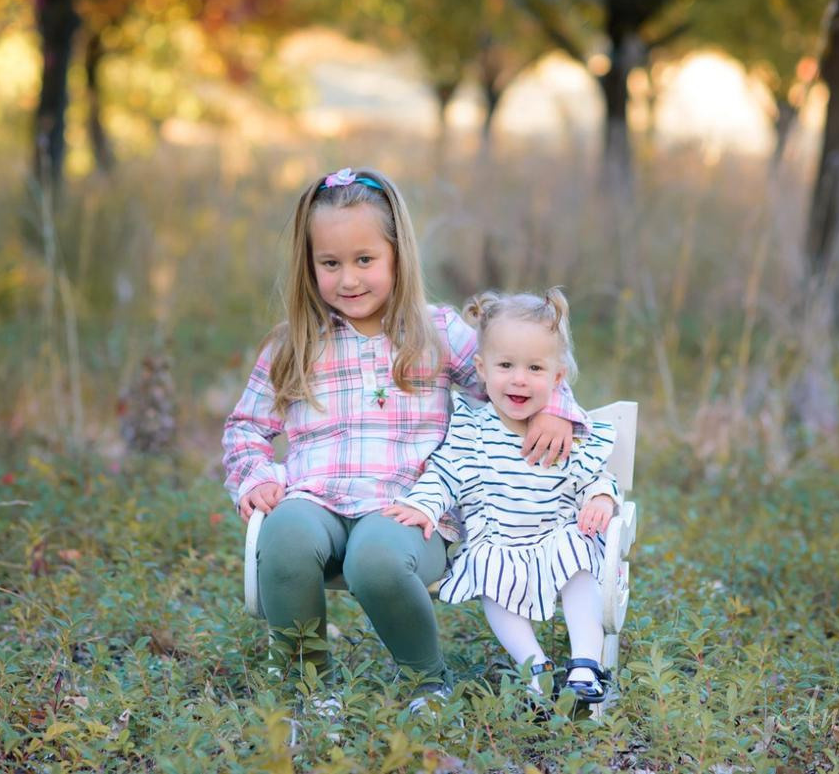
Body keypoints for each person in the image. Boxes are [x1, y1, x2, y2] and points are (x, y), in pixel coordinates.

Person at [222, 167, 589, 708]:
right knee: (286, 534)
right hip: (313, 498)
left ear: (398, 255)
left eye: (364, 260)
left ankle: (428, 683)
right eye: (330, 263)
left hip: (410, 512)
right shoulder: (293, 343)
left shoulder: (435, 332)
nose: (348, 279)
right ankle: (307, 688)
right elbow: (246, 428)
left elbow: (513, 378)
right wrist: (253, 475)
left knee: (375, 556)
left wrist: (555, 409)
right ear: (309, 266)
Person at [383, 288, 618, 705]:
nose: (519, 378)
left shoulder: (561, 431)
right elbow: (444, 473)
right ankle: (535, 666)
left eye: (534, 367)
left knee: (580, 563)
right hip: (499, 543)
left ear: (557, 378)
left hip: (555, 534)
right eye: (505, 365)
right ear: (481, 370)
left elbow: (594, 477)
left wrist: (601, 499)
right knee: (490, 578)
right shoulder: (471, 429)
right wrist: (423, 503)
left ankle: (586, 662)